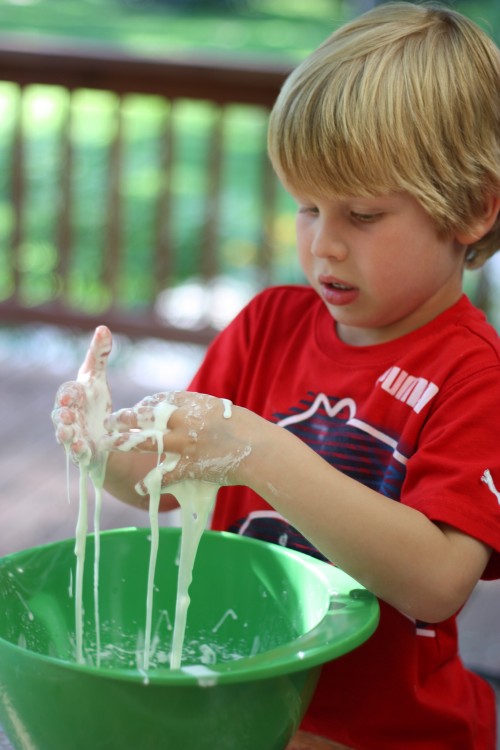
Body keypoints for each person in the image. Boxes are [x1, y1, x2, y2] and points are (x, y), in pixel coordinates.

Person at [52, 2, 500, 748]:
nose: (323, 246)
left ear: (472, 210)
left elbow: (437, 579)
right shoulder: (267, 328)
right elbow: (155, 476)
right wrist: (100, 446)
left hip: (394, 734)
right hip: (241, 712)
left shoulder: (471, 372)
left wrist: (259, 449)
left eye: (360, 216)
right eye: (306, 207)